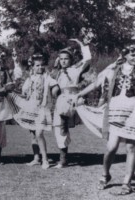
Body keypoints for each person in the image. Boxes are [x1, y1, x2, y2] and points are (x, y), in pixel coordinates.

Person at [74, 41, 135, 195]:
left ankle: (127, 183)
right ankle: (105, 174)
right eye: (133, 54)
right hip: (116, 110)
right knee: (111, 147)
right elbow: (97, 83)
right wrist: (79, 94)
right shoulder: (114, 70)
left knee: (131, 147)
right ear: (124, 55)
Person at [13, 53, 58, 169]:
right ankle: (36, 158)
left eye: (42, 65)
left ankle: (45, 159)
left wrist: (56, 92)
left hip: (42, 108)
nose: (40, 67)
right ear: (32, 67)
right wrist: (13, 93)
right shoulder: (29, 79)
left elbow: (55, 87)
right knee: (33, 135)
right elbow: (25, 95)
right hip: (31, 107)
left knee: (39, 133)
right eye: (37, 65)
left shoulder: (47, 78)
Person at [52, 38, 92, 168]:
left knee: (64, 125)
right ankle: (63, 158)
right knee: (59, 127)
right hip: (61, 100)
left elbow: (87, 59)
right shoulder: (57, 72)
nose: (63, 61)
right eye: (61, 58)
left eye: (66, 59)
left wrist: (82, 44)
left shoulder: (75, 69)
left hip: (73, 99)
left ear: (71, 59)